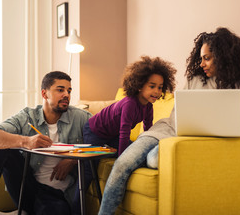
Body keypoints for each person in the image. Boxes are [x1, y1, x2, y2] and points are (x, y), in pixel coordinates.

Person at [97, 27, 240, 215]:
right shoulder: (196, 80)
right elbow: (180, 114)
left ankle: (147, 156)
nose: (202, 64)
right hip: (165, 130)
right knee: (122, 163)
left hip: (188, 143)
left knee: (154, 158)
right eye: (201, 58)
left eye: (206, 58)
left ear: (223, 56)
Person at [0, 71, 92, 215]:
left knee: (55, 211)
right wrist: (25, 141)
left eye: (69, 90)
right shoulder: (28, 116)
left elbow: (104, 143)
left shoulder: (81, 118)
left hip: (57, 194)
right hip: (29, 187)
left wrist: (72, 159)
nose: (66, 94)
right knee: (1, 149)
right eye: (60, 90)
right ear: (44, 94)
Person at [72, 56, 176, 214]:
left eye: (160, 87)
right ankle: (73, 209)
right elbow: (124, 132)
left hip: (112, 136)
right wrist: (122, 158)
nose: (157, 91)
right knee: (88, 171)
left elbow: (147, 132)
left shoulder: (148, 107)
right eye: (152, 86)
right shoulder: (129, 104)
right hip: (95, 131)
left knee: (135, 150)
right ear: (139, 85)